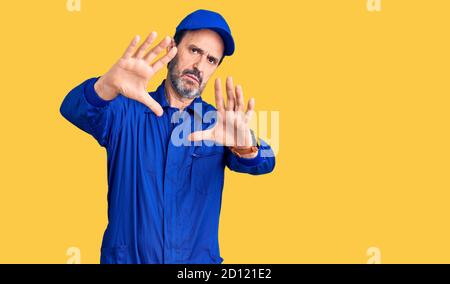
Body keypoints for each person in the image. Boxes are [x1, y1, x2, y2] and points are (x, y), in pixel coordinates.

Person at [60, 9, 275, 264]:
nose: (199, 66)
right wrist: (107, 85)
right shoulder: (126, 111)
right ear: (173, 48)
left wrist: (244, 145)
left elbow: (265, 161)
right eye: (194, 50)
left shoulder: (218, 124)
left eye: (210, 60)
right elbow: (73, 108)